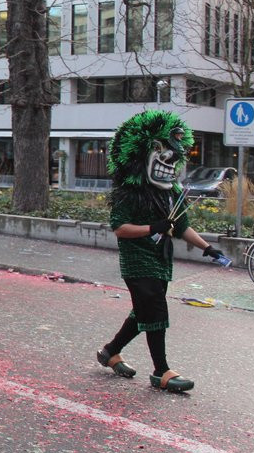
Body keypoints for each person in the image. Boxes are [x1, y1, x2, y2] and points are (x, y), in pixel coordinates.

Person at [96, 111, 224, 393]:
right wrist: (151, 226)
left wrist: (208, 248)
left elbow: (180, 228)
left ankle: (110, 351)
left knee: (143, 311)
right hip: (137, 259)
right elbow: (119, 228)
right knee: (154, 307)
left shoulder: (171, 192)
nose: (170, 158)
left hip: (161, 259)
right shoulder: (130, 193)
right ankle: (161, 371)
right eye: (159, 149)